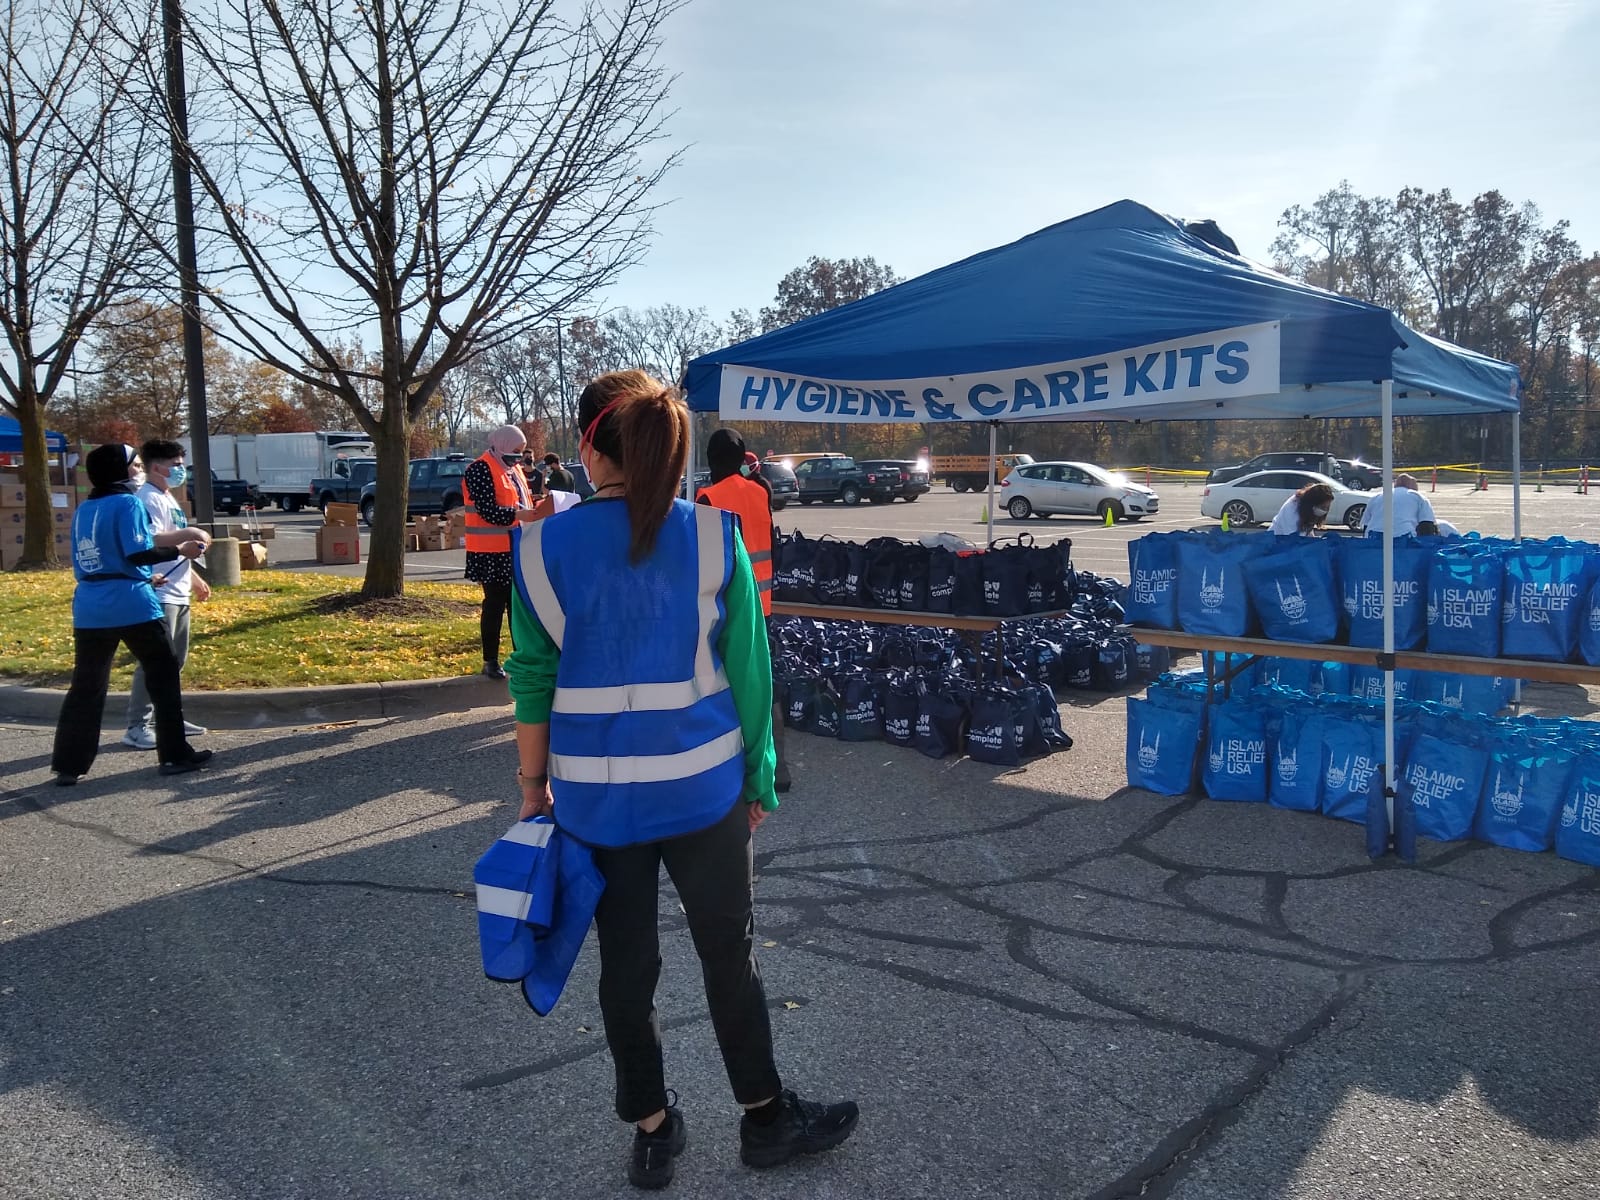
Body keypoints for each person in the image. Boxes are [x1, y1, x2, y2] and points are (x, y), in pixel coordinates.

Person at [506, 370, 857, 1189]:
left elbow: (532, 679)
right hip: (704, 793)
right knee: (727, 957)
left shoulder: (538, 550)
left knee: (625, 969)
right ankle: (766, 1119)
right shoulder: (711, 535)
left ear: (589, 444)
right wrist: (761, 777)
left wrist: (532, 786)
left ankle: (654, 1129)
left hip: (596, 803)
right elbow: (749, 669)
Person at [51, 444, 215, 785]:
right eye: (135, 464)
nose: (138, 469)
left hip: (90, 605)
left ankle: (69, 764)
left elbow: (99, 556)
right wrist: (179, 549)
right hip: (131, 602)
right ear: (121, 470)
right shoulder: (127, 502)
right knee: (163, 674)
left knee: (86, 686)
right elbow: (140, 551)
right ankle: (173, 754)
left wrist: (142, 574)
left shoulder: (86, 508)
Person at [696, 429, 788, 792]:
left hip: (726, 606)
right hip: (763, 603)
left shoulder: (708, 497)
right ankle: (776, 766)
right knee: (764, 682)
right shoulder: (760, 492)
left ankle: (732, 766)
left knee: (729, 685)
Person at [122, 439, 212, 751]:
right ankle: (136, 726)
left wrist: (195, 578)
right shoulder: (146, 498)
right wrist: (190, 533)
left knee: (176, 661)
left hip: (177, 590)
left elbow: (176, 550)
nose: (180, 470)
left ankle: (168, 718)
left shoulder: (167, 496)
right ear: (157, 467)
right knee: (155, 662)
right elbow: (149, 540)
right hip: (159, 592)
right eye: (175, 465)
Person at [465, 426, 540, 680]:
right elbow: (487, 510)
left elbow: (522, 502)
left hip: (516, 547)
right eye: (515, 451)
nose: (519, 457)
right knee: (495, 605)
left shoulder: (513, 469)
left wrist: (537, 508)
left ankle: (520, 655)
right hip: (490, 552)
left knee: (517, 607)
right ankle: (491, 660)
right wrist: (519, 515)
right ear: (501, 444)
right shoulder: (480, 469)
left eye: (521, 452)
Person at [1361, 472, 1439, 537]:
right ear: (1413, 486)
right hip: (1404, 539)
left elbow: (1365, 525)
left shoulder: (1376, 497)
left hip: (1373, 540)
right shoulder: (1418, 497)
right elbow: (1427, 525)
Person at [1267, 481, 1336, 536]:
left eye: (1327, 507)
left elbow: (1307, 529)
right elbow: (1291, 538)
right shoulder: (1292, 510)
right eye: (1323, 507)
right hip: (1277, 543)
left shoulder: (1307, 509)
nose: (1325, 510)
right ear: (1313, 503)